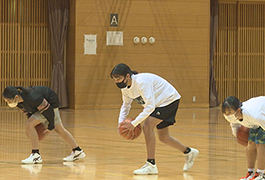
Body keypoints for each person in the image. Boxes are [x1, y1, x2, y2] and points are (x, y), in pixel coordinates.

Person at [110, 63, 199, 175]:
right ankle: (189, 152)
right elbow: (126, 105)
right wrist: (120, 123)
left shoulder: (141, 82)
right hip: (159, 104)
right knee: (164, 137)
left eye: (118, 78)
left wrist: (134, 123)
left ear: (127, 76)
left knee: (147, 127)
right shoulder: (125, 89)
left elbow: (150, 107)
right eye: (114, 79)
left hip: (169, 100)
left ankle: (151, 164)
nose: (116, 81)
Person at [2, 86, 86, 164]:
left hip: (51, 104)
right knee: (59, 129)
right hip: (43, 108)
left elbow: (49, 111)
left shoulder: (33, 97)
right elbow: (29, 113)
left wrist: (50, 126)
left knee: (29, 124)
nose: (8, 103)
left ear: (16, 97)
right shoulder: (19, 103)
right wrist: (35, 126)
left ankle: (35, 155)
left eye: (9, 101)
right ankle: (77, 151)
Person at [222, 96, 265, 180]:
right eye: (226, 112)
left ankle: (261, 173)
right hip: (256, 122)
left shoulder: (255, 115)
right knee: (251, 143)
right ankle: (250, 173)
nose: (228, 115)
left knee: (260, 143)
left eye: (229, 112)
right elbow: (234, 127)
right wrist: (238, 136)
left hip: (263, 116)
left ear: (238, 110)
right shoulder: (231, 117)